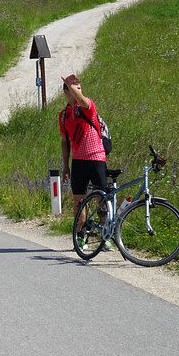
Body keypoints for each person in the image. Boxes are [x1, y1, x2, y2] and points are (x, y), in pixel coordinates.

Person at [58, 75, 111, 251]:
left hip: (96, 158)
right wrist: (65, 165)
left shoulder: (88, 106)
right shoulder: (64, 115)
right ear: (66, 93)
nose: (78, 91)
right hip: (78, 161)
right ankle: (81, 236)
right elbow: (65, 142)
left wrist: (70, 84)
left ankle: (105, 235)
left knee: (101, 198)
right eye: (74, 88)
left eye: (79, 87)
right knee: (78, 201)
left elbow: (81, 99)